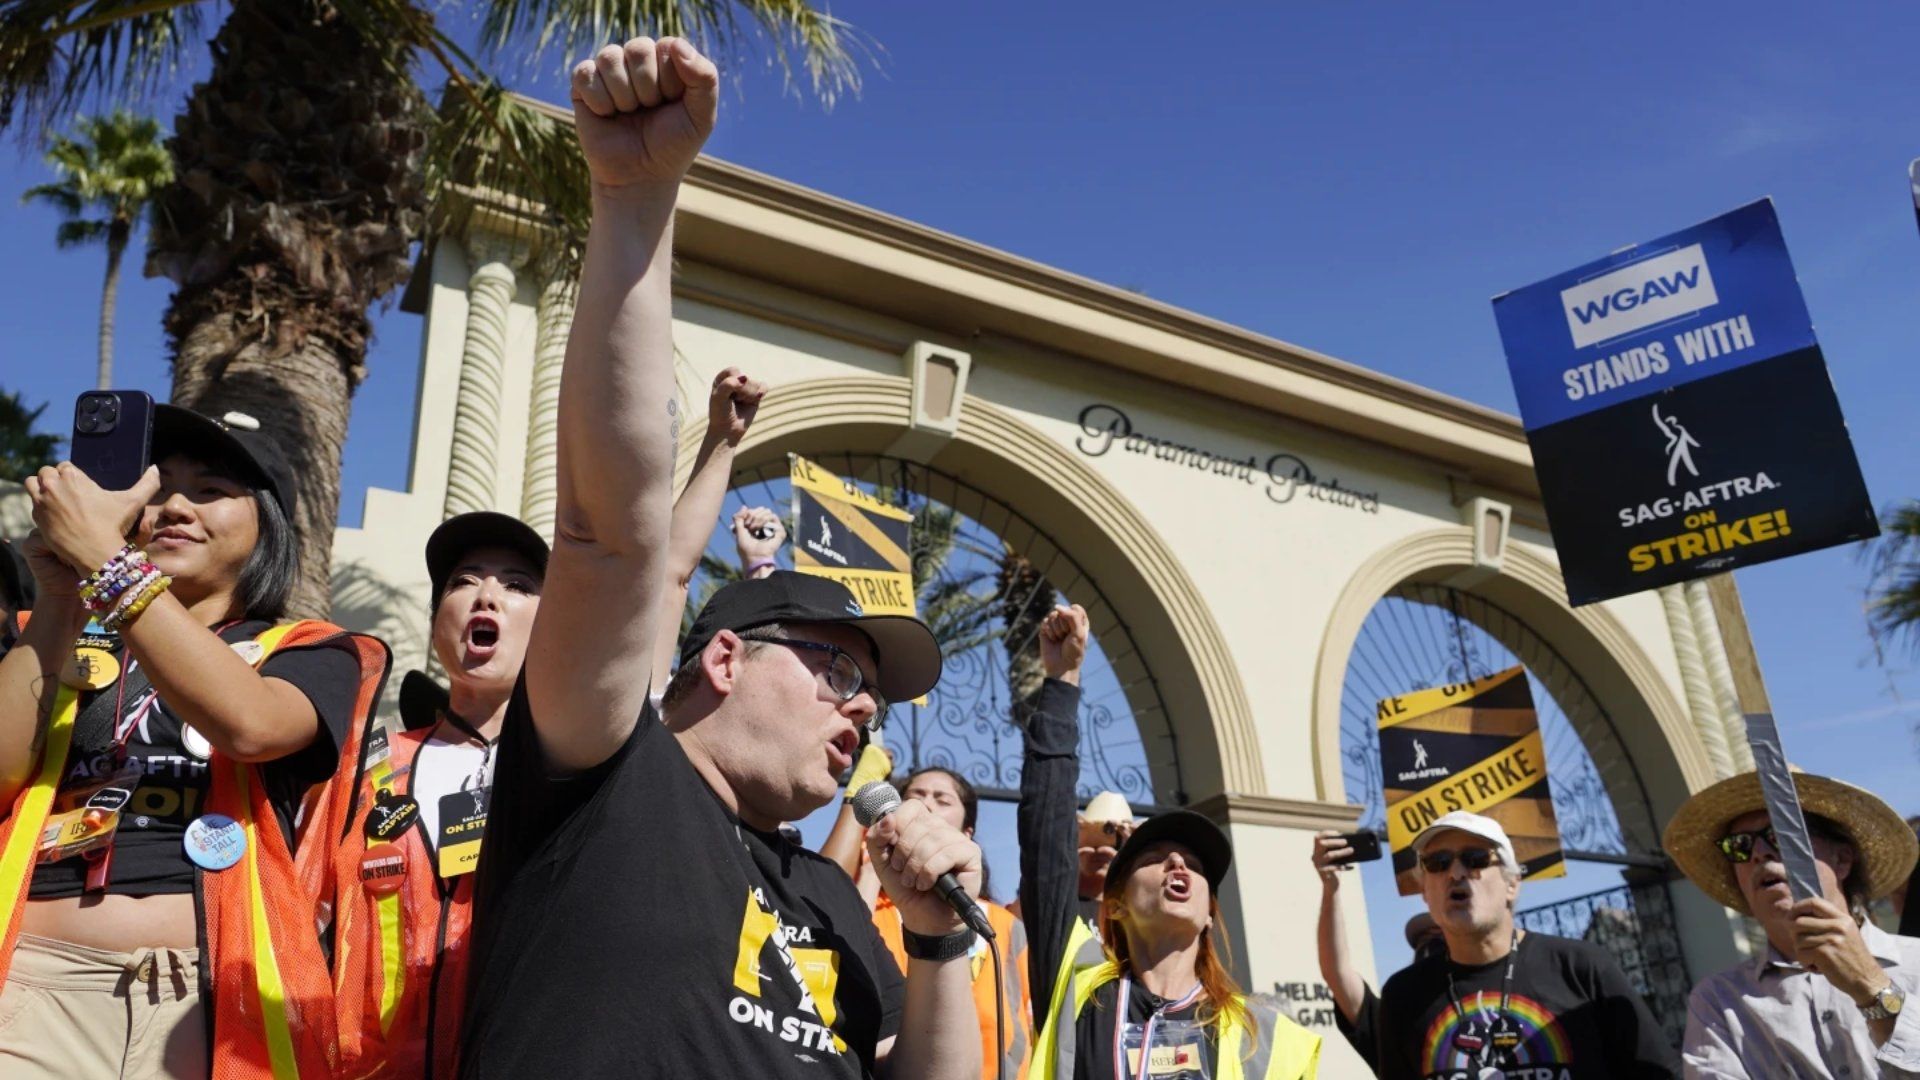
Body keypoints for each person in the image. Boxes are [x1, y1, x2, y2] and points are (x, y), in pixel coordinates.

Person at [456, 36, 984, 1079]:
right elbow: (611, 538)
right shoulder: (602, 774)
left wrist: (935, 941)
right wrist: (636, 204)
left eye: (871, 693)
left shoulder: (834, 903)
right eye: (838, 671)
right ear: (726, 659)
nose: (864, 709)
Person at [0, 407, 387, 1077]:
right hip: (35, 985)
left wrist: (109, 566)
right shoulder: (58, 632)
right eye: (159, 489)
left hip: (206, 999)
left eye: (209, 490)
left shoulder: (312, 651)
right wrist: (64, 595)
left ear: (267, 522)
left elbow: (251, 726)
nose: (175, 506)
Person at [1020, 603, 1320, 1078]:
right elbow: (1046, 838)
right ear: (1114, 905)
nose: (1178, 866)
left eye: (1194, 866)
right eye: (1155, 858)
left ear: (1208, 915)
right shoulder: (1073, 979)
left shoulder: (1267, 1036)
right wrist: (1062, 680)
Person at [307, 510, 548, 1079]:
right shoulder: (366, 764)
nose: (486, 595)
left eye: (516, 585)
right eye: (463, 581)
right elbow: (303, 914)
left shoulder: (568, 774)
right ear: (438, 618)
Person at [1374, 811, 1677, 1079]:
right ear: (1425, 892)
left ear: (1512, 883)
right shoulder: (1403, 997)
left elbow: (1659, 1073)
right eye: (1437, 863)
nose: (1455, 873)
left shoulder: (1582, 966)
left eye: (1475, 858)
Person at [1665, 769, 1920, 1077]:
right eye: (1739, 846)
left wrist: (1870, 987)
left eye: (1781, 834)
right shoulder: (1718, 1001)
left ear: (1841, 859)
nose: (1759, 853)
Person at [1310, 830, 1440, 1075]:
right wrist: (1331, 889)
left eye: (1442, 942)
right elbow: (1337, 974)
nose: (1430, 950)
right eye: (1423, 944)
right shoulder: (1396, 1022)